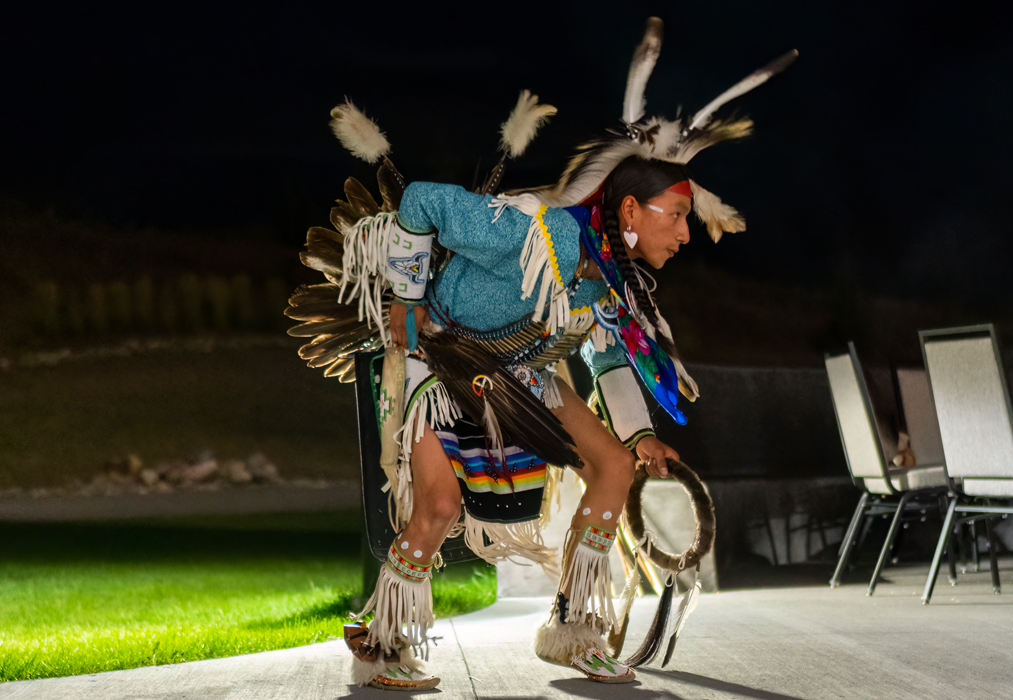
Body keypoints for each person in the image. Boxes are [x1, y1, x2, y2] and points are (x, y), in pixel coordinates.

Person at [289, 18, 795, 691]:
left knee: (612, 466)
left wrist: (640, 434)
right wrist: (407, 295)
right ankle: (382, 642)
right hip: (441, 360)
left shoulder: (609, 276)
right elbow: (420, 201)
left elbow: (607, 357)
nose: (684, 232)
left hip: (522, 372)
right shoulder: (533, 232)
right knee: (436, 509)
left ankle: (573, 628)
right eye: (672, 215)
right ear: (628, 214)